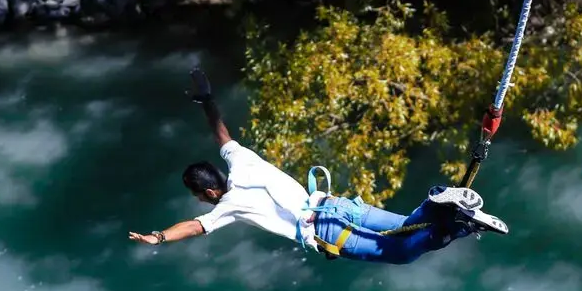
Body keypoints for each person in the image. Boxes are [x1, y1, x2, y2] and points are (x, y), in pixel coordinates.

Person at [128, 67, 508, 264]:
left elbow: (195, 227)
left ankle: (455, 220)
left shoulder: (228, 206)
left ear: (209, 192)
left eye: (198, 195)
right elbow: (221, 133)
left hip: (328, 231)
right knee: (408, 227)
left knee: (403, 252)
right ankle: (445, 206)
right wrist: (206, 97)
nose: (200, 202)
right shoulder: (240, 160)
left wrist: (158, 237)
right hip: (333, 204)